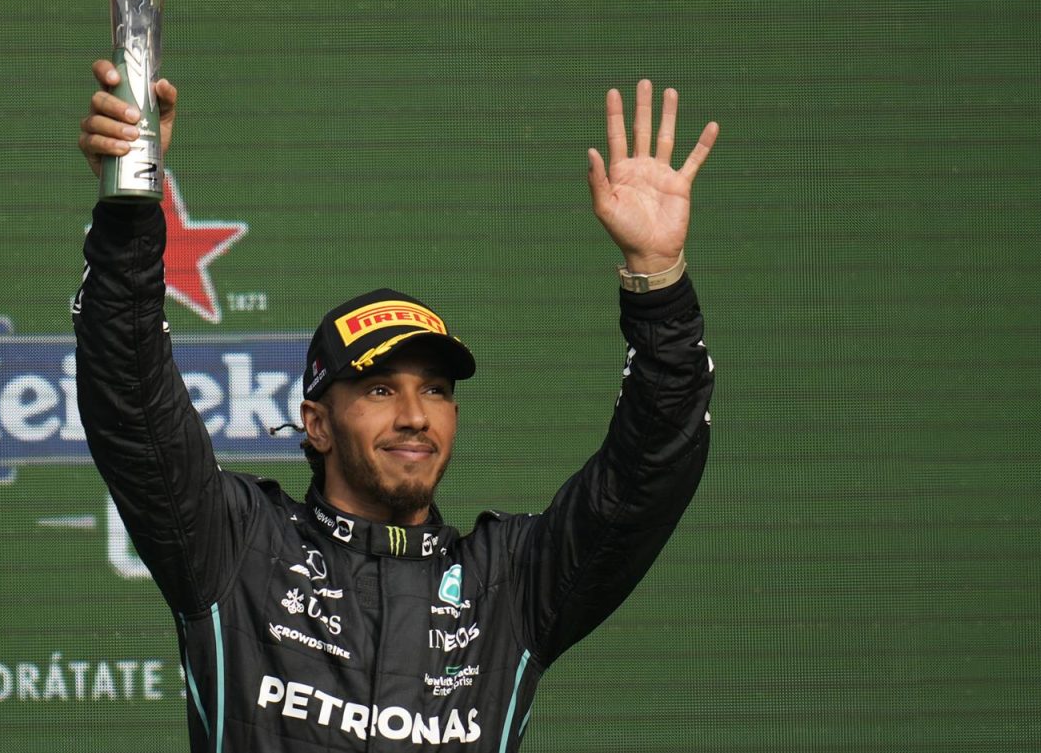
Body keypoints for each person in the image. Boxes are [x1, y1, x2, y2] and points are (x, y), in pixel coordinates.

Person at [73, 61, 718, 752]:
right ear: (316, 421)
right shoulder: (239, 548)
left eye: (436, 389)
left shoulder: (507, 585)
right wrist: (130, 208)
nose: (415, 413)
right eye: (381, 388)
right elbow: (131, 400)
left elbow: (650, 466)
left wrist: (657, 279)